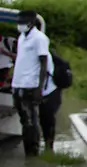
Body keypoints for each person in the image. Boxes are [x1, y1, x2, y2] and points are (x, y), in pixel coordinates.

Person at [11, 10, 60, 155]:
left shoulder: (39, 38)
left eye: (21, 22)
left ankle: (33, 154)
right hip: (18, 83)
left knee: (31, 122)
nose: (19, 25)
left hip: (31, 85)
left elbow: (43, 62)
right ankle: (30, 152)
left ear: (30, 23)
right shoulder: (21, 37)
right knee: (24, 121)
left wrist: (39, 87)